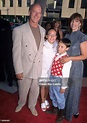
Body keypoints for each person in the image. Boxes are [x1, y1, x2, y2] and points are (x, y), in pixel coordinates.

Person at [12, 3, 45, 116]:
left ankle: (32, 106)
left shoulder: (43, 30)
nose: (36, 14)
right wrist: (18, 70)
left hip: (38, 68)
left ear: (41, 15)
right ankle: (21, 103)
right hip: (25, 68)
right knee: (23, 90)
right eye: (34, 11)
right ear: (29, 12)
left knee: (35, 92)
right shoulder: (19, 30)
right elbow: (16, 52)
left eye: (39, 12)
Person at [61, 13, 87, 122]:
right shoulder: (67, 36)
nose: (73, 23)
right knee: (65, 89)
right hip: (66, 66)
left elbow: (85, 56)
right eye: (72, 20)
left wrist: (70, 58)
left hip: (76, 67)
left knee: (74, 90)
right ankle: (64, 110)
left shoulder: (82, 36)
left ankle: (73, 111)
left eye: (76, 21)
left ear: (80, 23)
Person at [46, 38, 72, 123]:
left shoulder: (66, 59)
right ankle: (55, 110)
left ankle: (61, 114)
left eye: (62, 47)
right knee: (52, 93)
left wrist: (63, 86)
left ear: (67, 48)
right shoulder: (57, 55)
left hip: (59, 79)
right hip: (52, 77)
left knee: (60, 97)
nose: (59, 48)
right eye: (59, 46)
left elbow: (66, 74)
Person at [40, 28, 57, 111]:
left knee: (48, 86)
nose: (52, 36)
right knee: (43, 86)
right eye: (50, 34)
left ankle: (45, 98)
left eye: (54, 35)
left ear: (56, 36)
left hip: (51, 70)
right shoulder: (42, 44)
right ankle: (42, 101)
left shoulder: (56, 45)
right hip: (43, 69)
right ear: (46, 36)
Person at [0, 10, 14, 86]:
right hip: (2, 47)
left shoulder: (6, 23)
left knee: (8, 65)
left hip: (6, 48)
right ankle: (1, 77)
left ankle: (10, 79)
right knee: (0, 65)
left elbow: (8, 37)